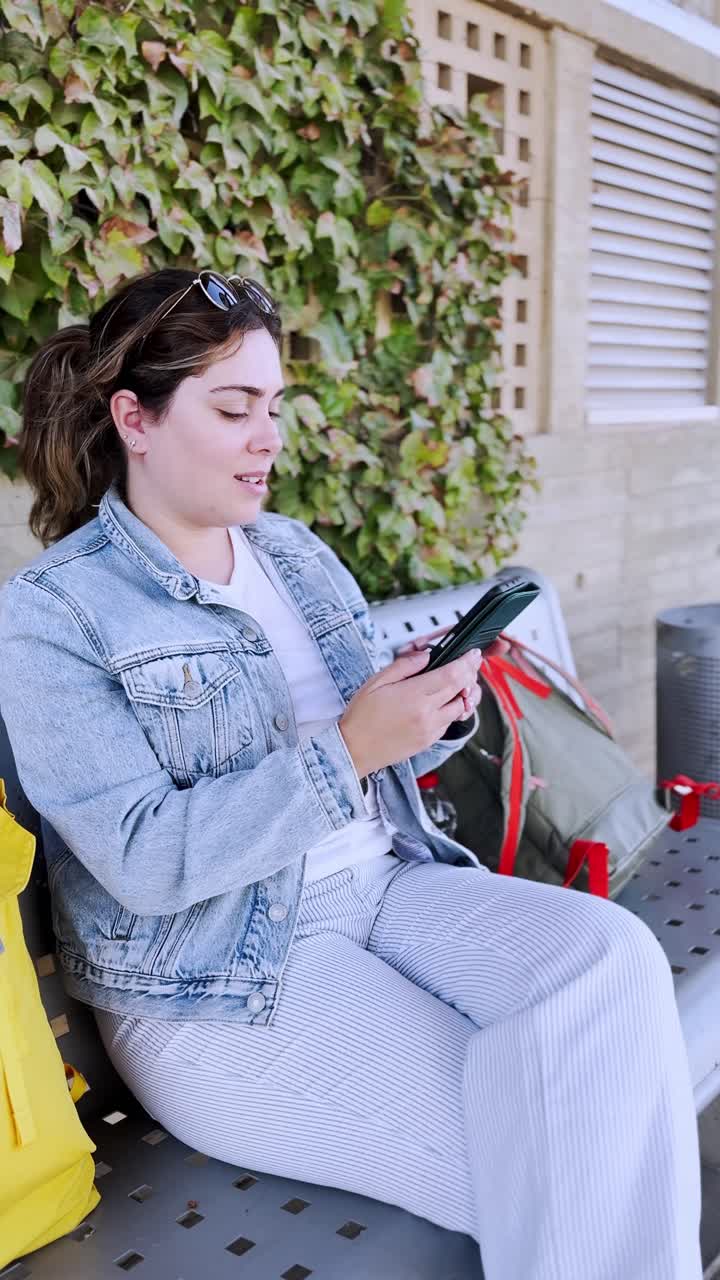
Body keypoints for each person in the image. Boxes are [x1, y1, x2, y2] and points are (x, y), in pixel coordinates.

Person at [0, 268, 703, 1280]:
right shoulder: (59, 610)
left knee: (608, 959)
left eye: (275, 406)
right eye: (235, 406)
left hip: (386, 891)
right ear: (135, 419)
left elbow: (373, 757)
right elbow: (146, 858)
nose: (269, 436)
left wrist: (428, 715)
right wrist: (349, 751)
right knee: (572, 1151)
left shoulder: (292, 552)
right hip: (222, 980)